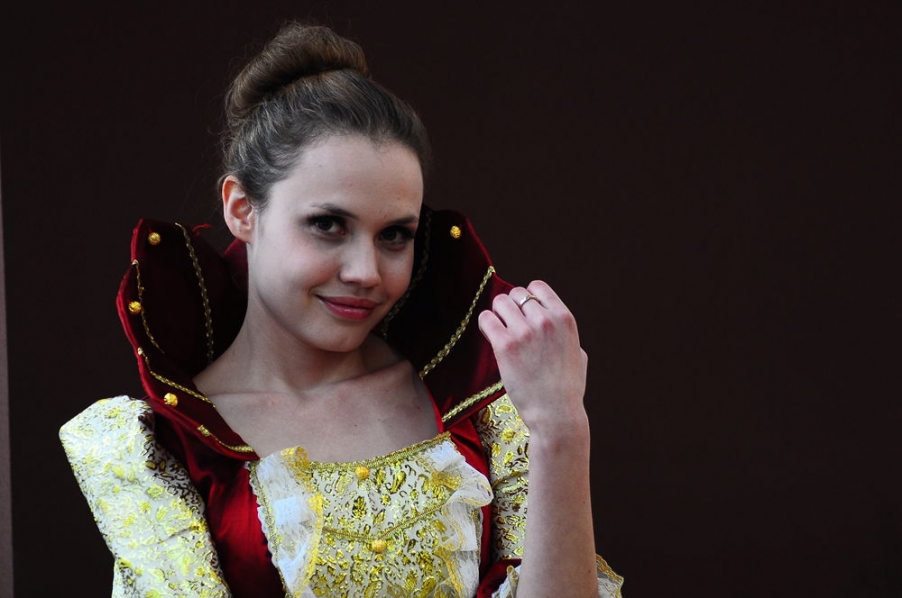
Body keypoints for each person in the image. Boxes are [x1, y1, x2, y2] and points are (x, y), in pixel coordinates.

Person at [60, 22, 624, 598]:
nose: (366, 272)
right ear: (242, 210)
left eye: (395, 235)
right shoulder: (166, 448)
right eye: (328, 225)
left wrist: (560, 429)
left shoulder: (482, 407)